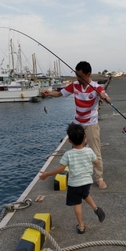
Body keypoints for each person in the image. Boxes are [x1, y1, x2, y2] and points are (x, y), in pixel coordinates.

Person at [42, 61, 111, 189]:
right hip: (78, 123)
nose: (78, 78)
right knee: (74, 151)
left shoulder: (96, 87)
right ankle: (76, 174)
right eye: (76, 75)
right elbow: (59, 93)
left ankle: (99, 178)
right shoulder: (74, 85)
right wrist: (49, 93)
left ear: (88, 74)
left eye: (80, 76)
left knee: (95, 151)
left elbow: (108, 99)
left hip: (91, 123)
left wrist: (104, 96)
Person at [39, 122, 105, 234]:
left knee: (77, 204)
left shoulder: (68, 154)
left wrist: (47, 174)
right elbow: (96, 162)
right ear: (85, 137)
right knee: (85, 194)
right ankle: (95, 208)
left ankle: (81, 225)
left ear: (69, 140)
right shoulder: (89, 151)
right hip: (87, 181)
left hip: (75, 184)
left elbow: (60, 169)